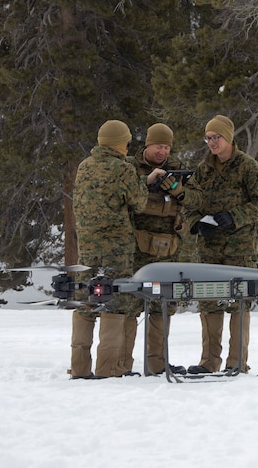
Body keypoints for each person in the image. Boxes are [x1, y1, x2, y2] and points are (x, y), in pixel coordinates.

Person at [70, 119, 165, 379]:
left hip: (87, 248)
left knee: (86, 302)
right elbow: (137, 202)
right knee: (116, 304)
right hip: (116, 248)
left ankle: (79, 367)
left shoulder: (84, 166)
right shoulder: (122, 169)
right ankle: (108, 368)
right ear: (121, 143)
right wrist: (147, 182)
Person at [180, 114, 258, 375]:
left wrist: (234, 217)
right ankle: (209, 362)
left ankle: (237, 362)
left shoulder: (247, 167)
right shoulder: (203, 170)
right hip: (209, 250)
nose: (211, 142)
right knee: (209, 303)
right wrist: (196, 223)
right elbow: (190, 203)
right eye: (208, 138)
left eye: (216, 137)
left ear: (228, 137)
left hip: (239, 249)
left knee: (239, 303)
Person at [128, 122, 190, 376]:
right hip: (137, 249)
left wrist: (176, 188)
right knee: (131, 303)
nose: (162, 152)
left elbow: (192, 199)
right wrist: (146, 182)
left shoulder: (176, 169)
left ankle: (157, 363)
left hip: (169, 249)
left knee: (165, 304)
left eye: (166, 147)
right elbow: (123, 195)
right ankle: (121, 363)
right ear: (147, 145)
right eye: (158, 146)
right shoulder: (130, 167)